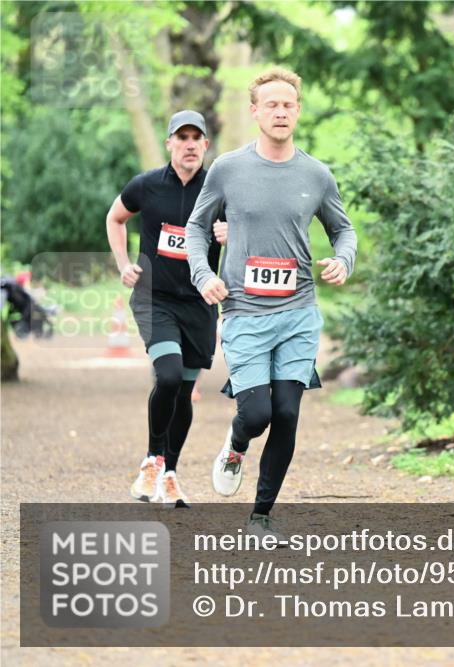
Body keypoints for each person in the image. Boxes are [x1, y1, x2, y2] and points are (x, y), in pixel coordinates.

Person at [185, 67, 357, 537]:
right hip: (243, 310)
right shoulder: (227, 169)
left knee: (286, 412)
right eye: (271, 104)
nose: (280, 112)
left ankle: (260, 516)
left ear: (298, 111)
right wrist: (202, 274)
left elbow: (344, 230)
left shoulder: (316, 174)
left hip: (299, 311)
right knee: (256, 414)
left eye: (288, 104)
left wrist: (345, 258)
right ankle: (236, 443)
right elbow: (197, 229)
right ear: (255, 111)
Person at [106, 110, 226, 507]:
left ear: (206, 145)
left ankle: (169, 472)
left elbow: (251, 234)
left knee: (186, 389)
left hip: (199, 303)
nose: (190, 144)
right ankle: (152, 460)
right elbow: (115, 217)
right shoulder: (147, 185)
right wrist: (124, 265)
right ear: (170, 143)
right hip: (155, 297)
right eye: (182, 137)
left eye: (197, 138)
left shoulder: (219, 191)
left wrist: (232, 231)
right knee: (169, 375)